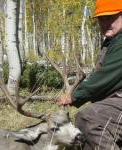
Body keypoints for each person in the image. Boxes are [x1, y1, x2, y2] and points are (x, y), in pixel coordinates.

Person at [58, 0, 122, 149]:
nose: (105, 23)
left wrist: (74, 96)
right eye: (101, 18)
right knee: (85, 135)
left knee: (89, 118)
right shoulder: (111, 41)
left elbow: (105, 77)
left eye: (110, 17)